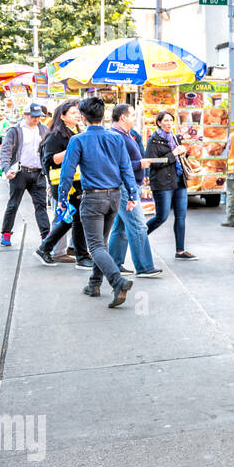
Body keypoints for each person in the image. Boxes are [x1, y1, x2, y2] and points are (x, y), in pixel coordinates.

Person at [56, 96, 139, 308]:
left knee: (95, 246)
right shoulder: (116, 138)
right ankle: (94, 284)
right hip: (114, 196)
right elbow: (126, 168)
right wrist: (132, 195)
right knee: (101, 243)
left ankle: (117, 281)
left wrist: (62, 198)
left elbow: (67, 172)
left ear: (83, 118)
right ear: (103, 116)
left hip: (93, 198)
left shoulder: (78, 140)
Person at [106, 104, 162, 278]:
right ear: (122, 117)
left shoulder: (126, 134)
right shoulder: (116, 136)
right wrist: (140, 165)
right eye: (132, 115)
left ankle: (114, 263)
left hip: (130, 184)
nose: (135, 118)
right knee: (138, 225)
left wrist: (140, 172)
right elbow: (114, 165)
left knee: (120, 227)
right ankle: (144, 267)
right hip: (124, 187)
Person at [35, 101, 91, 267]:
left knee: (75, 219)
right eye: (73, 113)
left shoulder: (76, 131)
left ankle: (78, 255)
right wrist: (74, 149)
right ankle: (48, 249)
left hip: (77, 181)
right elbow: (50, 160)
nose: (78, 115)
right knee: (70, 218)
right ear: (62, 116)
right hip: (63, 183)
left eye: (78, 113)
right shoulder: (56, 135)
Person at [144, 110, 197, 260]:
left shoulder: (175, 137)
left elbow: (179, 157)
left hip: (179, 180)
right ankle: (139, 236)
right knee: (162, 216)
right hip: (162, 183)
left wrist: (184, 152)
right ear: (159, 123)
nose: (169, 123)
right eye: (165, 121)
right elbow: (153, 163)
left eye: (171, 120)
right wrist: (173, 153)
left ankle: (180, 251)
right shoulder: (154, 140)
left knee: (181, 216)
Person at [0, 101, 51, 247]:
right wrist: (6, 168)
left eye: (39, 116)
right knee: (13, 204)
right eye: (33, 116)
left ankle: (46, 237)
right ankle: (6, 233)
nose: (36, 119)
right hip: (20, 173)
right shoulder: (14, 131)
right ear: (25, 115)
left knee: (41, 206)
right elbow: (6, 151)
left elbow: (47, 151)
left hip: (38, 173)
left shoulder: (44, 130)